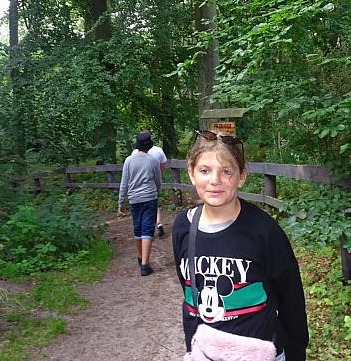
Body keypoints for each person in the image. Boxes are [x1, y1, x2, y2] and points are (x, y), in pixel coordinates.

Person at [172, 130, 309, 361]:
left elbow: (291, 301)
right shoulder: (183, 227)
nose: (215, 180)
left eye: (226, 171)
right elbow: (190, 292)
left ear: (241, 176)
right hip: (206, 353)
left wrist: (296, 354)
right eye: (205, 170)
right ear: (191, 174)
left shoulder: (264, 231)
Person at [119, 131, 162, 276]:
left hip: (134, 199)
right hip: (150, 198)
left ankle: (140, 256)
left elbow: (124, 183)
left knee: (138, 230)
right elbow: (158, 181)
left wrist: (121, 202)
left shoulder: (129, 161)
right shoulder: (152, 161)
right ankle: (145, 265)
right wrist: (156, 192)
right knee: (147, 230)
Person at [132, 130, 168, 237]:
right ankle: (159, 223)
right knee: (154, 202)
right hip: (153, 180)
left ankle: (146, 231)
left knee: (143, 207)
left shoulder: (135, 153)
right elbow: (163, 165)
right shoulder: (158, 150)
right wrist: (159, 177)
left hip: (139, 184)